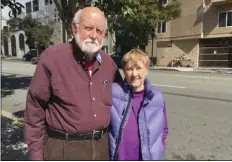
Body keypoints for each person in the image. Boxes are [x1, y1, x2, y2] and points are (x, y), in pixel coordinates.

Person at [24, 7, 122, 160]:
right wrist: (36, 154)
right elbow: (35, 108)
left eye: (99, 31)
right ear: (75, 28)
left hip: (102, 148)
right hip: (64, 149)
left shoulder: (109, 64)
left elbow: (124, 99)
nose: (93, 35)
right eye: (88, 28)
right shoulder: (52, 58)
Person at [109, 49, 168, 160]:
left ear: (146, 70)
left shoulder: (157, 96)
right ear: (124, 71)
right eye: (129, 69)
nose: (134, 74)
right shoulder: (114, 92)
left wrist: (160, 147)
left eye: (139, 68)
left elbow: (164, 129)